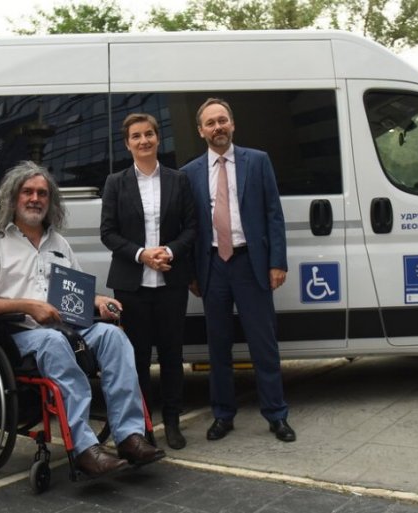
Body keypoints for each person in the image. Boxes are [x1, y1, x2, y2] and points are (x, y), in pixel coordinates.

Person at [0, 161, 166, 478]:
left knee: (114, 337)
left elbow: (76, 293)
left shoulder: (59, 243)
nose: (35, 198)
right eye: (28, 192)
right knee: (53, 341)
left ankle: (130, 436)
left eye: (42, 193)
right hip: (23, 334)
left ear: (51, 201)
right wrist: (29, 306)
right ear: (13, 198)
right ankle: (85, 448)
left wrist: (99, 301)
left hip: (69, 328)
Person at [180, 98, 296, 443]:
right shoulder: (189, 173)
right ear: (200, 131)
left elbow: (274, 214)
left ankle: (276, 415)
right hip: (213, 265)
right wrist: (192, 273)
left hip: (250, 263)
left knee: (264, 345)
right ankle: (222, 415)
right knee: (218, 347)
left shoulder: (257, 161)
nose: (218, 127)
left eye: (222, 120)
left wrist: (277, 262)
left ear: (232, 124)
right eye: (210, 123)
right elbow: (189, 227)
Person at [99, 113, 196, 450]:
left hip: (171, 282)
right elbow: (108, 233)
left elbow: (191, 228)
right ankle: (142, 425)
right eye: (136, 136)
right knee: (137, 357)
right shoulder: (116, 182)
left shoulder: (178, 180)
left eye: (149, 134)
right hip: (132, 283)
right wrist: (142, 254)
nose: (144, 141)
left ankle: (172, 421)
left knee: (172, 354)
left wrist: (169, 251)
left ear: (158, 138)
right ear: (127, 144)